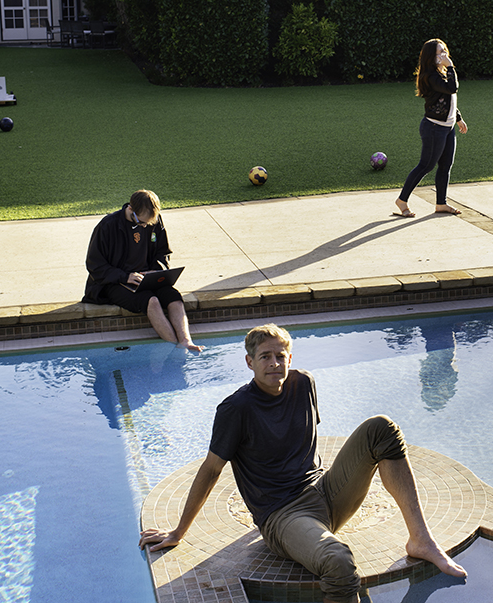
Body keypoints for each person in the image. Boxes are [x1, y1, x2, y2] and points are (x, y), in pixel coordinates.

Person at [139, 324, 466, 603]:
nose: (273, 363)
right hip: (284, 515)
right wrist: (178, 531)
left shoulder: (304, 384)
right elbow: (211, 471)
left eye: (280, 356)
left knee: (381, 428)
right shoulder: (234, 410)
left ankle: (420, 539)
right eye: (265, 357)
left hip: (324, 493)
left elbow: (299, 444)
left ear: (290, 359)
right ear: (249, 362)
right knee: (338, 561)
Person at [83, 189, 201, 352]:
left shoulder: (154, 220)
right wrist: (125, 277)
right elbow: (94, 264)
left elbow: (163, 252)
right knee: (151, 301)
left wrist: (157, 270)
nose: (145, 226)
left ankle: (186, 341)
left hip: (147, 278)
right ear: (130, 209)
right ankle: (175, 347)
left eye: (148, 223)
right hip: (114, 282)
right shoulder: (108, 226)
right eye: (141, 223)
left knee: (173, 296)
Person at [394, 39, 469, 217]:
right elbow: (452, 88)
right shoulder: (430, 76)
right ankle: (402, 200)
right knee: (426, 165)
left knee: (445, 166)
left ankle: (441, 203)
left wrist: (458, 119)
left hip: (448, 127)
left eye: (445, 51)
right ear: (430, 57)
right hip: (434, 128)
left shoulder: (440, 74)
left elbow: (448, 101)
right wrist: (450, 66)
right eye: (439, 53)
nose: (444, 55)